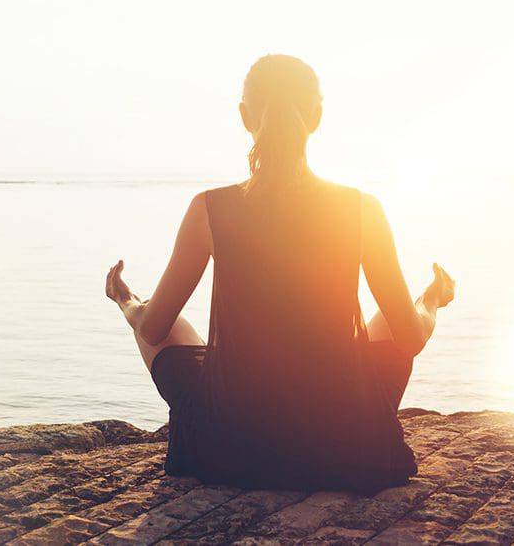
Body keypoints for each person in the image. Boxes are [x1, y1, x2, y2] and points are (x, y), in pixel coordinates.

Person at [105, 54, 455, 493]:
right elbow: (411, 337)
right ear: (317, 117)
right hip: (345, 441)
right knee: (391, 320)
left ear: (244, 117)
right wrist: (432, 300)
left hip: (232, 445)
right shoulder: (363, 209)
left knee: (161, 314)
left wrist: (127, 302)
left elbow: (155, 330)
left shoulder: (209, 209)